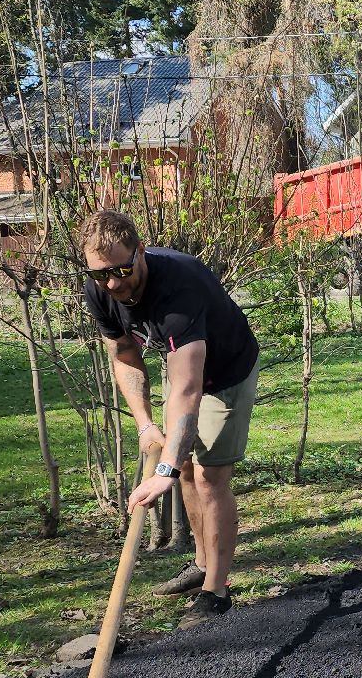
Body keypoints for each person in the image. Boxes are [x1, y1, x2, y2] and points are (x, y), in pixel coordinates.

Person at [79, 210, 260, 629]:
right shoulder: (100, 287)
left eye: (122, 270)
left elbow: (187, 391)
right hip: (186, 370)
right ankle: (201, 563)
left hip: (226, 372)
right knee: (186, 475)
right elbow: (124, 353)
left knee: (209, 476)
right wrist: (144, 423)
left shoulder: (179, 288)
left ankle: (216, 591)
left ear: (141, 251)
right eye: (100, 274)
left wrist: (163, 469)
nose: (112, 284)